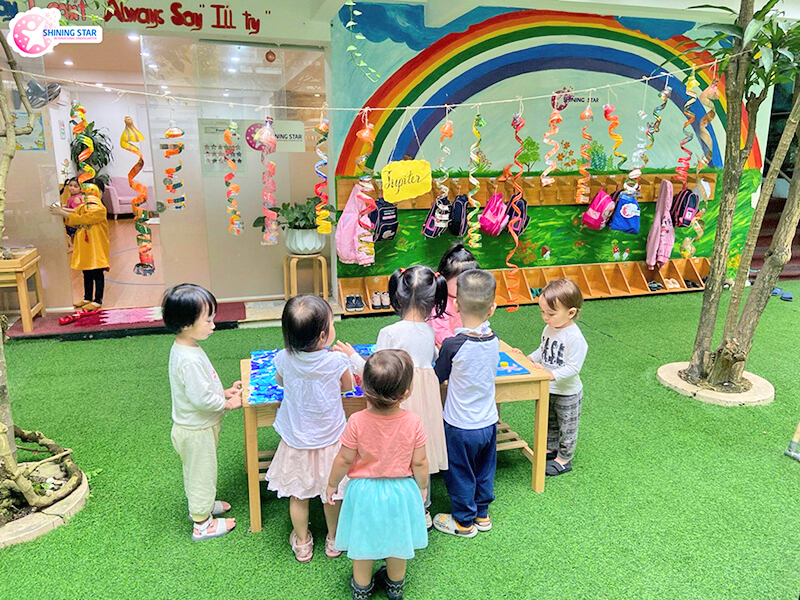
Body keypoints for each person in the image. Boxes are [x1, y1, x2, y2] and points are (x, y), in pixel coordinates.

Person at [334, 265, 447, 529]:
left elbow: (377, 373)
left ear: (398, 296)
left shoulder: (390, 332)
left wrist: (352, 357)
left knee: (395, 450)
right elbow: (430, 357)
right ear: (432, 299)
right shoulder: (429, 331)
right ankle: (423, 508)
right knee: (420, 451)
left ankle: (393, 507)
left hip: (400, 397)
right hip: (424, 398)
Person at [327, 349, 429, 600]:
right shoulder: (413, 422)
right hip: (401, 491)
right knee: (398, 541)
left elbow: (344, 458)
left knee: (363, 542)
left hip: (364, 492)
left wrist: (331, 484)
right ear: (405, 392)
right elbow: (420, 461)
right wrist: (422, 486)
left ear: (364, 388)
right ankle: (395, 586)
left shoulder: (356, 421)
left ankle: (361, 588)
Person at [265, 294, 353, 562]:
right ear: (324, 335)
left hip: (296, 440)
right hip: (330, 439)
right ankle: (334, 539)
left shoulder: (284, 358)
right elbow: (348, 387)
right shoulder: (336, 361)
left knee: (298, 495)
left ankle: (302, 542)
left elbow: (280, 381)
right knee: (332, 495)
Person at [162, 283, 243, 541]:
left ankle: (203, 505)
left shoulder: (186, 347)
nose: (213, 325)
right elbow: (201, 398)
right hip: (196, 431)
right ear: (187, 323)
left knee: (199, 471)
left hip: (196, 427)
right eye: (208, 320)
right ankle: (202, 523)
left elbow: (199, 389)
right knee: (201, 474)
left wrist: (224, 392)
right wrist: (227, 403)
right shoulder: (188, 359)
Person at [432, 269, 499, 538]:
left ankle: (463, 522)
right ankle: (482, 514)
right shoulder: (494, 340)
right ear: (492, 308)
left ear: (456, 305)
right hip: (488, 422)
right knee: (485, 470)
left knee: (459, 472)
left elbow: (438, 376)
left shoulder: (452, 344)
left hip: (459, 426)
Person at [524, 278, 588, 476]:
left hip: (567, 393)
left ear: (571, 313)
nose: (545, 317)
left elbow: (573, 367)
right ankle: (551, 449)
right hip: (549, 387)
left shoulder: (574, 338)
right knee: (549, 421)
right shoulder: (549, 328)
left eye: (550, 313)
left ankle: (564, 459)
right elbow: (542, 349)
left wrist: (551, 375)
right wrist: (529, 358)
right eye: (542, 312)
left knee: (567, 427)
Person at [49, 179, 110, 309]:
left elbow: (85, 218)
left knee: (97, 272)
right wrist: (63, 215)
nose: (90, 195)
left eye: (94, 191)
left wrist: (64, 213)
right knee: (86, 272)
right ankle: (87, 297)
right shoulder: (83, 207)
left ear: (101, 193)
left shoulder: (100, 209)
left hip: (96, 247)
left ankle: (97, 300)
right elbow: (75, 219)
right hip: (84, 246)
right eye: (87, 192)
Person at [429, 243, 479, 347]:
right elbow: (441, 334)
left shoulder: (467, 299)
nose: (466, 287)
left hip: (462, 345)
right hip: (444, 348)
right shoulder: (440, 304)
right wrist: (463, 345)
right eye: (459, 283)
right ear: (445, 277)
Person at [59, 177, 83, 247]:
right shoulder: (72, 197)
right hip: (70, 221)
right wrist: (63, 206)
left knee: (63, 230)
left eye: (75, 186)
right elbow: (68, 206)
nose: (72, 188)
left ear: (80, 189)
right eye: (70, 185)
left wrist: (63, 209)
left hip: (73, 223)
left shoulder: (76, 198)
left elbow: (76, 210)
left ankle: (71, 246)